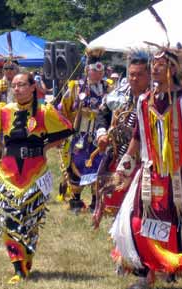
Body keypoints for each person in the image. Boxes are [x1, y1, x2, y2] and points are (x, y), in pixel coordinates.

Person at [110, 43, 182, 289]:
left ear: (173, 69)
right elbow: (137, 139)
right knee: (136, 220)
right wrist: (123, 169)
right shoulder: (144, 102)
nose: (155, 68)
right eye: (154, 64)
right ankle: (143, 272)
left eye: (161, 64)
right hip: (150, 175)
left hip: (181, 176)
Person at [0, 72, 73, 284]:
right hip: (8, 173)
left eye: (22, 85)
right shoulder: (4, 111)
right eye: (14, 86)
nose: (17, 89)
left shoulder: (44, 111)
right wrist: (2, 148)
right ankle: (18, 267)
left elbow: (66, 130)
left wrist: (46, 147)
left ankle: (27, 259)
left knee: (30, 221)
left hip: (36, 172)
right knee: (8, 219)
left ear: (33, 87)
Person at [93, 49, 151, 219]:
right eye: (131, 74)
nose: (134, 78)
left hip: (145, 159)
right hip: (119, 154)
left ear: (149, 76)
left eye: (139, 75)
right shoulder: (119, 94)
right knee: (116, 198)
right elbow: (102, 113)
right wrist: (102, 133)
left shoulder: (156, 97)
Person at [58, 44, 109, 213]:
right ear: (88, 70)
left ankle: (96, 201)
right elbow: (63, 108)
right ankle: (76, 201)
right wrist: (65, 128)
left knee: (99, 163)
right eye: (96, 70)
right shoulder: (75, 86)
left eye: (101, 71)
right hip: (81, 132)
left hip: (100, 133)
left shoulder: (108, 87)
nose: (99, 74)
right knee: (77, 162)